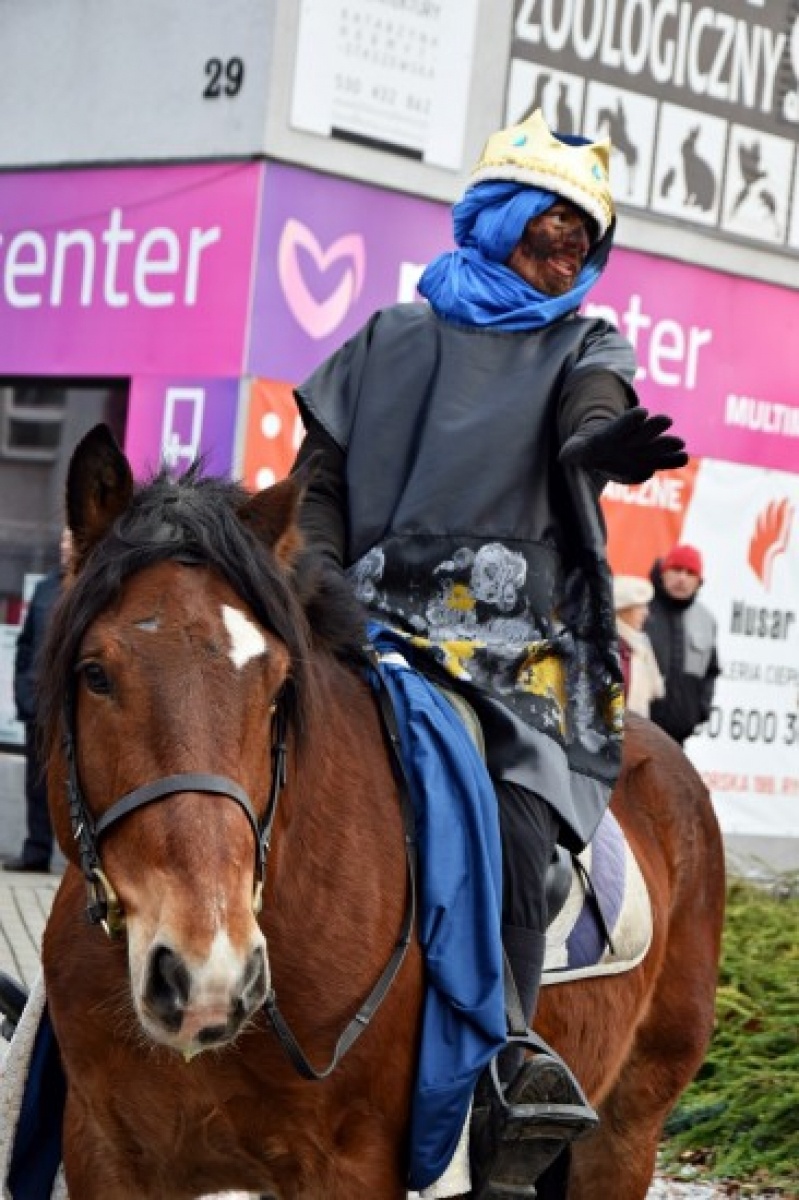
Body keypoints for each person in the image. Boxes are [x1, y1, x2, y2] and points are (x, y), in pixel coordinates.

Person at [290, 109, 687, 1196]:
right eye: (553, 224)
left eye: (584, 236)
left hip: (521, 655)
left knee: (510, 814)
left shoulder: (587, 344)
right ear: (499, 218)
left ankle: (510, 1060)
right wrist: (315, 580)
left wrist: (602, 443)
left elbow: (587, 415)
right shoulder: (385, 340)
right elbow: (317, 484)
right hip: (362, 627)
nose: (568, 249)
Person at [4, 528, 71, 873]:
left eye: (70, 540)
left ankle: (75, 863)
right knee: (36, 784)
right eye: (61, 541)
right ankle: (35, 854)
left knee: (73, 784)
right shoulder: (45, 588)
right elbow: (25, 645)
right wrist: (21, 693)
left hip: (72, 712)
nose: (64, 546)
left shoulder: (93, 587)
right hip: (37, 707)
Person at [645, 544, 720, 746]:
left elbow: (711, 671)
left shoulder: (706, 619)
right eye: (676, 570)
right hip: (638, 732)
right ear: (663, 573)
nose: (682, 578)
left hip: (677, 738)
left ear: (699, 581)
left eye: (690, 573)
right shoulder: (641, 610)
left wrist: (700, 711)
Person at [612, 574, 664, 718]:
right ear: (622, 609)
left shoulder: (640, 647)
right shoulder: (608, 648)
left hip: (635, 733)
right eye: (640, 606)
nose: (646, 613)